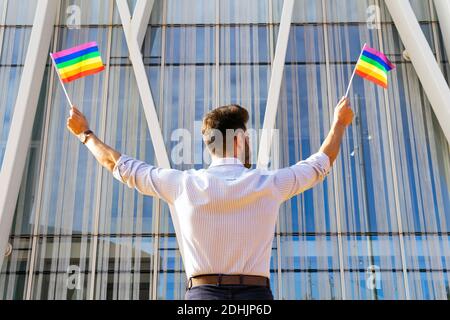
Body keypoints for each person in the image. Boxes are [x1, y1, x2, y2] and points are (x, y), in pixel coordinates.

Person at [66, 97, 354, 300]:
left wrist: (86, 134)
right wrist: (339, 123)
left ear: (209, 145)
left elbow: (120, 166)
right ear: (241, 140)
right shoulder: (270, 183)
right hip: (255, 297)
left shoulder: (182, 184)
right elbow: (321, 163)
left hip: (201, 297)